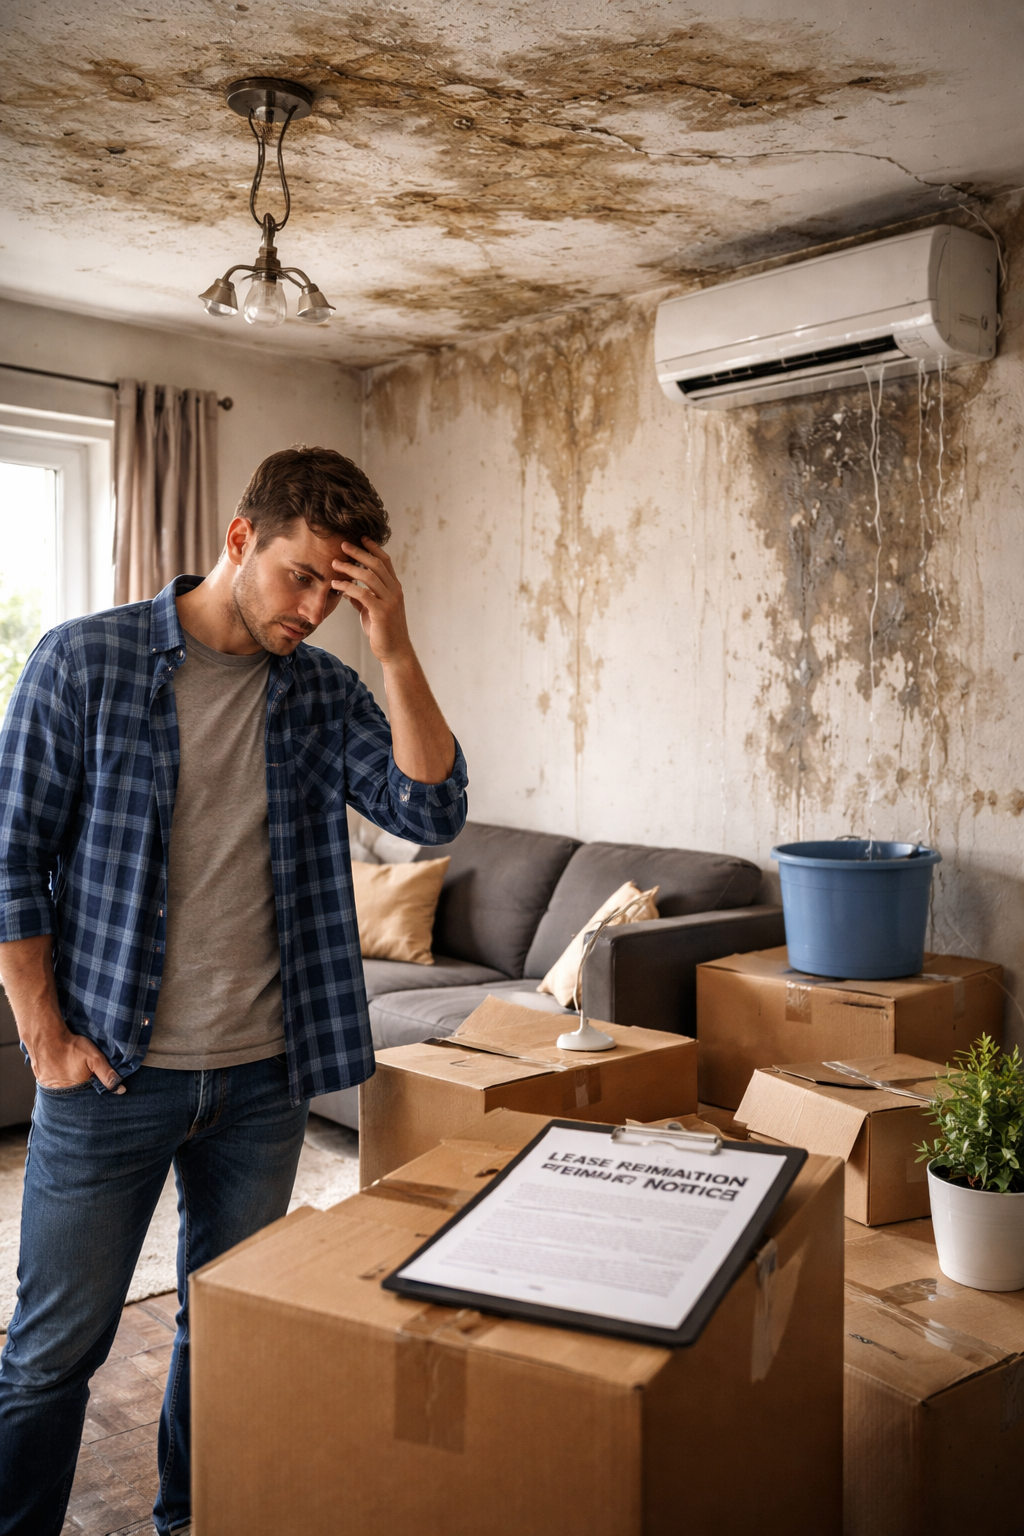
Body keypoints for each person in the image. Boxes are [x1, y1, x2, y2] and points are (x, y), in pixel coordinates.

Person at [0, 446, 467, 1536]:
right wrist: (46, 1039)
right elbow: (10, 854)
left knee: (223, 1329)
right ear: (240, 538)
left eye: (337, 591)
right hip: (112, 1074)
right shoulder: (87, 661)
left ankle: (188, 1524)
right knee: (51, 1353)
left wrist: (391, 645)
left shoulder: (324, 690)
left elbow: (430, 813)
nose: (313, 608)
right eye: (300, 576)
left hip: (264, 1079)